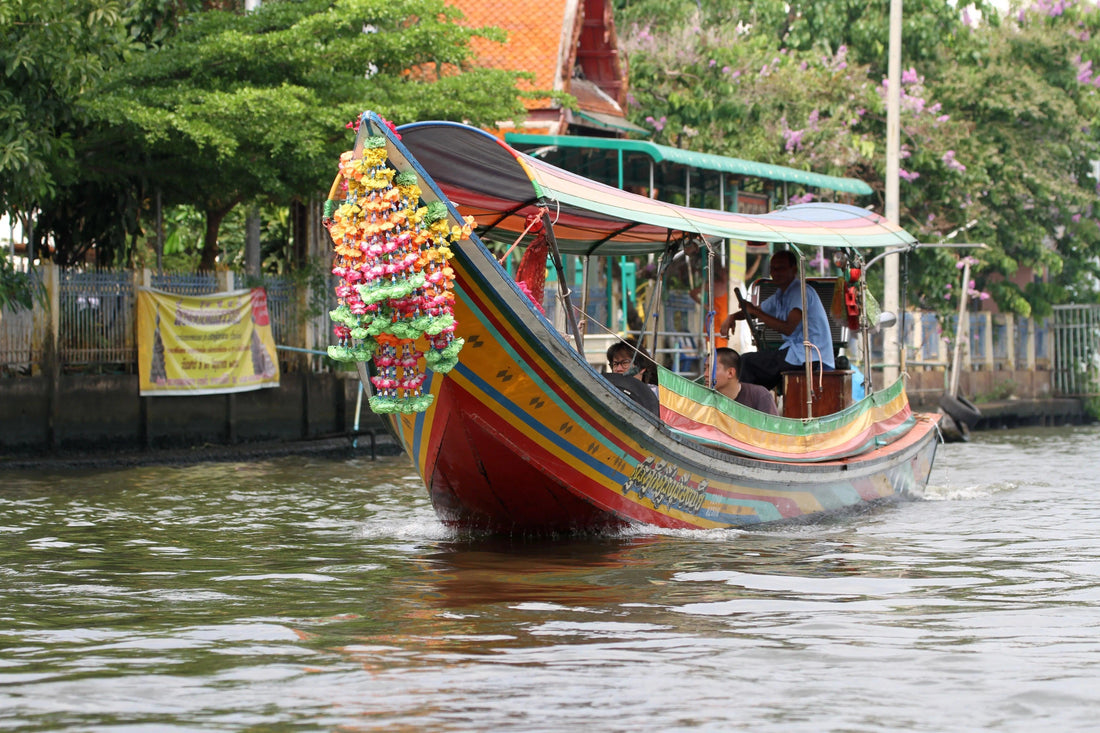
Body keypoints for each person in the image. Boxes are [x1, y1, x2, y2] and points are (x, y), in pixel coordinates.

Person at [718, 249, 834, 391]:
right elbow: (755, 311)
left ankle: (744, 407)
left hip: (810, 356)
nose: (776, 273)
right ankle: (756, 404)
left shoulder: (798, 290)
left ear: (794, 269)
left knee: (746, 362)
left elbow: (788, 328)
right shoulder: (781, 294)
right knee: (753, 366)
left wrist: (754, 311)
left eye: (781, 268)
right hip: (796, 355)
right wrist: (733, 317)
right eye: (773, 269)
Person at [710, 347, 778, 415]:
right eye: (705, 368)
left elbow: (773, 424)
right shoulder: (706, 399)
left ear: (730, 373)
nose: (706, 374)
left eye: (712, 369)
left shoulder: (759, 395)